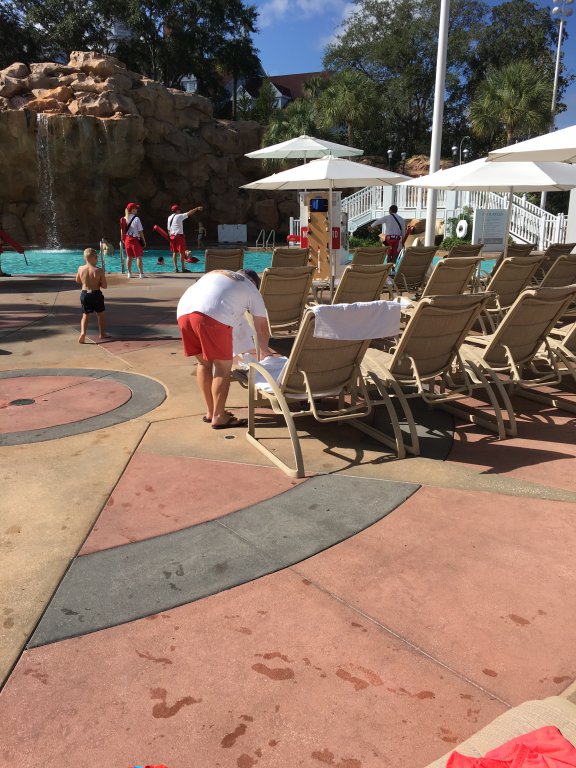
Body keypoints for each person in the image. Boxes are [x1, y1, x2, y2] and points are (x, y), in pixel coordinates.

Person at [176, 269, 273, 429]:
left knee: (203, 363)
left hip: (183, 313)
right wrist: (266, 353)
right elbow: (262, 328)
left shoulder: (220, 274)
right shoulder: (251, 289)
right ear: (255, 283)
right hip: (211, 316)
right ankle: (219, 417)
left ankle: (211, 412)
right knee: (222, 367)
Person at [76, 247, 109, 343]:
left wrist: (86, 281)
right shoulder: (99, 270)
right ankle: (102, 333)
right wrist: (98, 283)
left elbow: (78, 280)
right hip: (96, 294)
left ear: (84, 258)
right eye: (97, 257)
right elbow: (105, 286)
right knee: (100, 315)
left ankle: (83, 333)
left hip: (85, 294)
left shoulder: (80, 268)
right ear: (95, 258)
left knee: (85, 315)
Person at [167, 203, 203, 273]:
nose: (180, 211)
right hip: (179, 236)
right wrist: (196, 208)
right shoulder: (179, 216)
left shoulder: (169, 218)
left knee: (174, 252)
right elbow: (189, 213)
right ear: (177, 210)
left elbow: (168, 229)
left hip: (172, 237)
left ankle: (176, 269)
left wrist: (170, 238)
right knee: (182, 252)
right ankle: (183, 269)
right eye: (179, 210)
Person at [120, 202, 146, 278]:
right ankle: (141, 274)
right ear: (133, 210)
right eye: (136, 208)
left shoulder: (124, 218)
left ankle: (129, 273)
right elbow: (140, 231)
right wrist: (143, 241)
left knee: (129, 257)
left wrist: (123, 240)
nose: (137, 210)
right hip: (135, 239)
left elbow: (122, 231)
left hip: (127, 239)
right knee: (138, 257)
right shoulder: (136, 219)